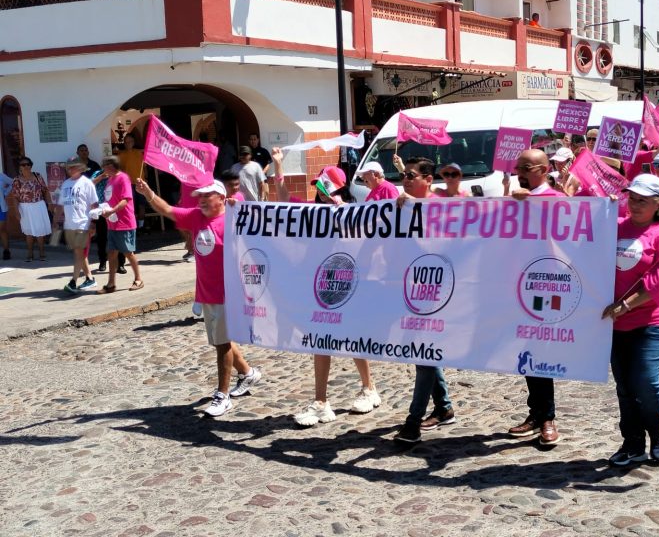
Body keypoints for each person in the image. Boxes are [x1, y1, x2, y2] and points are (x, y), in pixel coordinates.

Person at [269, 147, 382, 426]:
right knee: (321, 340)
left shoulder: (351, 213)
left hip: (346, 283)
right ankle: (321, 401)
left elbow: (372, 235)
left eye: (325, 186)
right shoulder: (311, 211)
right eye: (318, 186)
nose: (320, 191)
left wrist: (343, 212)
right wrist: (278, 165)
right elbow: (282, 199)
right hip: (320, 286)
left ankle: (369, 388)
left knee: (353, 338)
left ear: (338, 187)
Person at [135, 178, 262, 417]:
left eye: (208, 196)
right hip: (206, 292)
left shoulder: (234, 220)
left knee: (222, 343)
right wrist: (149, 193)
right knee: (219, 340)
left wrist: (243, 210)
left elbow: (262, 232)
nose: (202, 200)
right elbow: (168, 210)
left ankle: (222, 396)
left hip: (227, 293)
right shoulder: (196, 217)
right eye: (200, 196)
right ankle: (248, 373)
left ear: (222, 199)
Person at [602, 173, 659, 466]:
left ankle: (658, 431)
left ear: (658, 203)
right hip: (615, 321)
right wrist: (602, 209)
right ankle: (632, 443)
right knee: (624, 387)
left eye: (642, 200)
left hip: (652, 320)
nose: (634, 204)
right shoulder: (616, 225)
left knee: (644, 381)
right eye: (631, 198)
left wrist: (627, 304)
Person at [393, 157, 455, 445]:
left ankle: (413, 420)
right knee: (423, 354)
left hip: (438, 292)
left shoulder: (442, 207)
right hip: (412, 288)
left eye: (411, 175)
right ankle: (443, 408)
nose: (405, 179)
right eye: (404, 175)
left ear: (428, 180)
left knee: (424, 353)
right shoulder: (403, 206)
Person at [507, 149, 565, 446]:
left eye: (526, 167)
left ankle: (547, 418)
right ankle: (536, 412)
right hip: (520, 284)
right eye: (518, 167)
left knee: (541, 350)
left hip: (547, 285)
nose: (520, 172)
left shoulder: (553, 198)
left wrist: (527, 200)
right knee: (528, 350)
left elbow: (560, 224)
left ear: (543, 170)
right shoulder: (517, 198)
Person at [97, 156, 143, 293]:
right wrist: (102, 210)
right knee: (111, 253)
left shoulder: (123, 178)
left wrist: (112, 210)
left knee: (128, 252)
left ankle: (139, 279)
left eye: (104, 165)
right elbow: (110, 199)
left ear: (111, 165)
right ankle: (111, 284)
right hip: (112, 223)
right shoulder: (109, 179)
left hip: (125, 223)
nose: (102, 168)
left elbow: (126, 200)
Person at [54, 157, 99, 293]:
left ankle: (73, 282)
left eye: (73, 166)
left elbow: (95, 205)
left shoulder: (87, 183)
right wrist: (55, 221)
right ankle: (90, 279)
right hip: (69, 224)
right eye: (68, 167)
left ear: (80, 168)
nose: (70, 169)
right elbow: (60, 205)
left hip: (83, 223)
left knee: (79, 253)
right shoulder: (66, 184)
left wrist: (93, 223)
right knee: (79, 253)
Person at [10, 156, 52, 262]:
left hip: (39, 206)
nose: (26, 166)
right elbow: (15, 197)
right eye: (23, 165)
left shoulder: (37, 176)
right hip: (25, 207)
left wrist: (50, 203)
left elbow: (45, 190)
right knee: (28, 232)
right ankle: (30, 253)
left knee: (40, 231)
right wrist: (16, 211)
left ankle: (42, 252)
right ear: (20, 167)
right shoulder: (16, 180)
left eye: (28, 164)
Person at [118, 133, 148, 231]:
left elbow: (145, 168)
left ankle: (141, 226)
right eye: (126, 142)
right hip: (128, 184)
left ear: (133, 142)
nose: (128, 144)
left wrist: (146, 179)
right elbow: (119, 169)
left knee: (142, 204)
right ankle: (133, 226)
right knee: (131, 206)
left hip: (140, 182)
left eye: (130, 141)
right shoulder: (121, 154)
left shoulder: (139, 153)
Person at [0, 172, 12, 260]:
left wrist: (5, 192)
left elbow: (13, 182)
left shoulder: (1, 176)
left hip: (0, 207)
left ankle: (6, 251)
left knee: (2, 230)